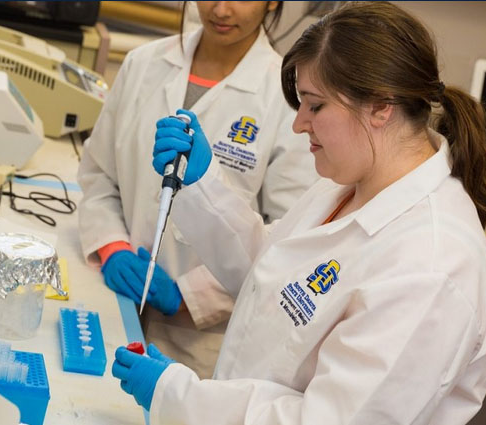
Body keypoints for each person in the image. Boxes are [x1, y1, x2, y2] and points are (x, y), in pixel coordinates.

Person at [112, 2, 486, 424]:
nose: (299, 123)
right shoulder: (353, 184)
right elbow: (271, 271)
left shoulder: (431, 268)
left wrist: (180, 395)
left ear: (380, 106)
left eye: (315, 106)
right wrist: (203, 184)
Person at [77, 1, 318, 378]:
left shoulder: (287, 99)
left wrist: (188, 296)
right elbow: (97, 175)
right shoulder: (143, 64)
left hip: (199, 342)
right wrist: (111, 247)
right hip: (113, 299)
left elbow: (288, 241)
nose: (221, 10)